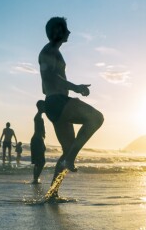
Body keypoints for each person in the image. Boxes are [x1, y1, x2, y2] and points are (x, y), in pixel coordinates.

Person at [39, 16, 105, 182]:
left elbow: (44, 85)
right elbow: (52, 76)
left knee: (67, 149)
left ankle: (52, 194)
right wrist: (76, 88)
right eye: (65, 28)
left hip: (53, 103)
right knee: (96, 118)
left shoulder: (51, 51)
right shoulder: (49, 51)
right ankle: (71, 158)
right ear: (58, 31)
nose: (69, 31)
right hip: (58, 102)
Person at [30, 100, 47, 183]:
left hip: (37, 139)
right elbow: (39, 132)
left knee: (38, 162)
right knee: (42, 161)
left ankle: (35, 179)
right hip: (37, 140)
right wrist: (42, 143)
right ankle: (35, 179)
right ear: (40, 107)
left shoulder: (39, 117)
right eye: (44, 106)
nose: (45, 107)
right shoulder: (38, 118)